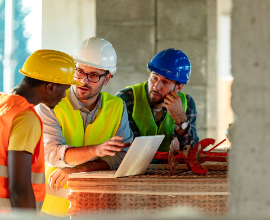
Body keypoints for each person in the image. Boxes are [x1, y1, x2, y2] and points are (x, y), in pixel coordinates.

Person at [36, 37, 133, 217]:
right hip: (52, 207)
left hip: (97, 206)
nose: (83, 81)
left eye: (94, 75)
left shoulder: (117, 106)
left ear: (108, 78)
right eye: (79, 71)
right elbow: (51, 153)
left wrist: (80, 169)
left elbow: (123, 158)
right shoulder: (49, 103)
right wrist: (97, 151)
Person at [0, 49, 81, 214]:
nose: (64, 96)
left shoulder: (3, 104)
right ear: (51, 87)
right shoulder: (25, 118)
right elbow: (20, 188)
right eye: (64, 88)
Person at [116, 48, 199, 156]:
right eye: (154, 78)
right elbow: (126, 149)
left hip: (171, 171)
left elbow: (192, 154)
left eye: (165, 82)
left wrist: (181, 120)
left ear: (179, 87)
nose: (156, 86)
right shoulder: (126, 99)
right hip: (134, 170)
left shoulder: (187, 104)